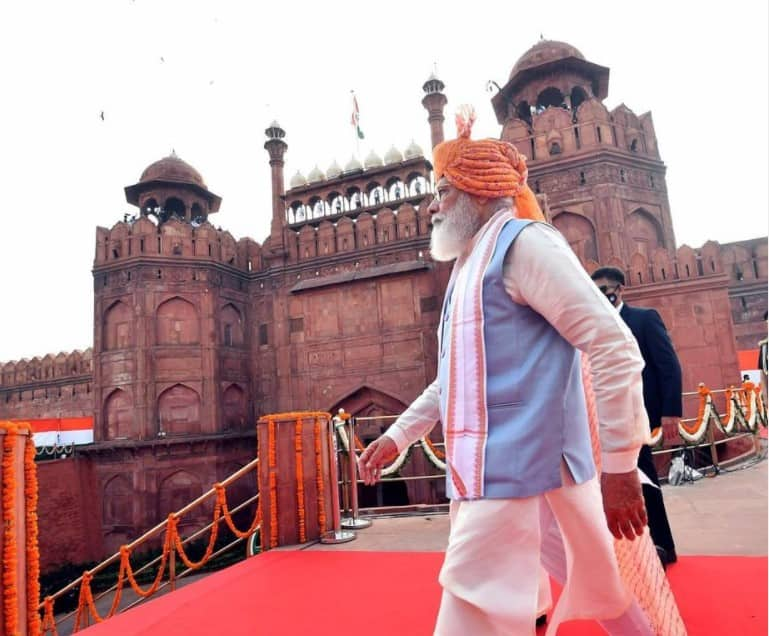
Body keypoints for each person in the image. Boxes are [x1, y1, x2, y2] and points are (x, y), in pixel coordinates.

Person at [358, 106, 667, 635]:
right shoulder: (468, 267)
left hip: (517, 471)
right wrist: (398, 435)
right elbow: (454, 378)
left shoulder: (525, 246)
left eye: (444, 192)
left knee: (470, 607)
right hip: (495, 470)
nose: (432, 206)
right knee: (601, 585)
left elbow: (614, 346)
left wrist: (620, 467)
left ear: (480, 192)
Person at [590, 266, 682, 568]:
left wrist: (670, 413)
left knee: (644, 480)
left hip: (638, 415)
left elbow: (668, 366)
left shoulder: (643, 319)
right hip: (605, 418)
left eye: (606, 289)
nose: (602, 295)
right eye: (596, 291)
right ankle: (633, 552)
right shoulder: (595, 327)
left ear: (620, 288)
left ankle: (662, 546)